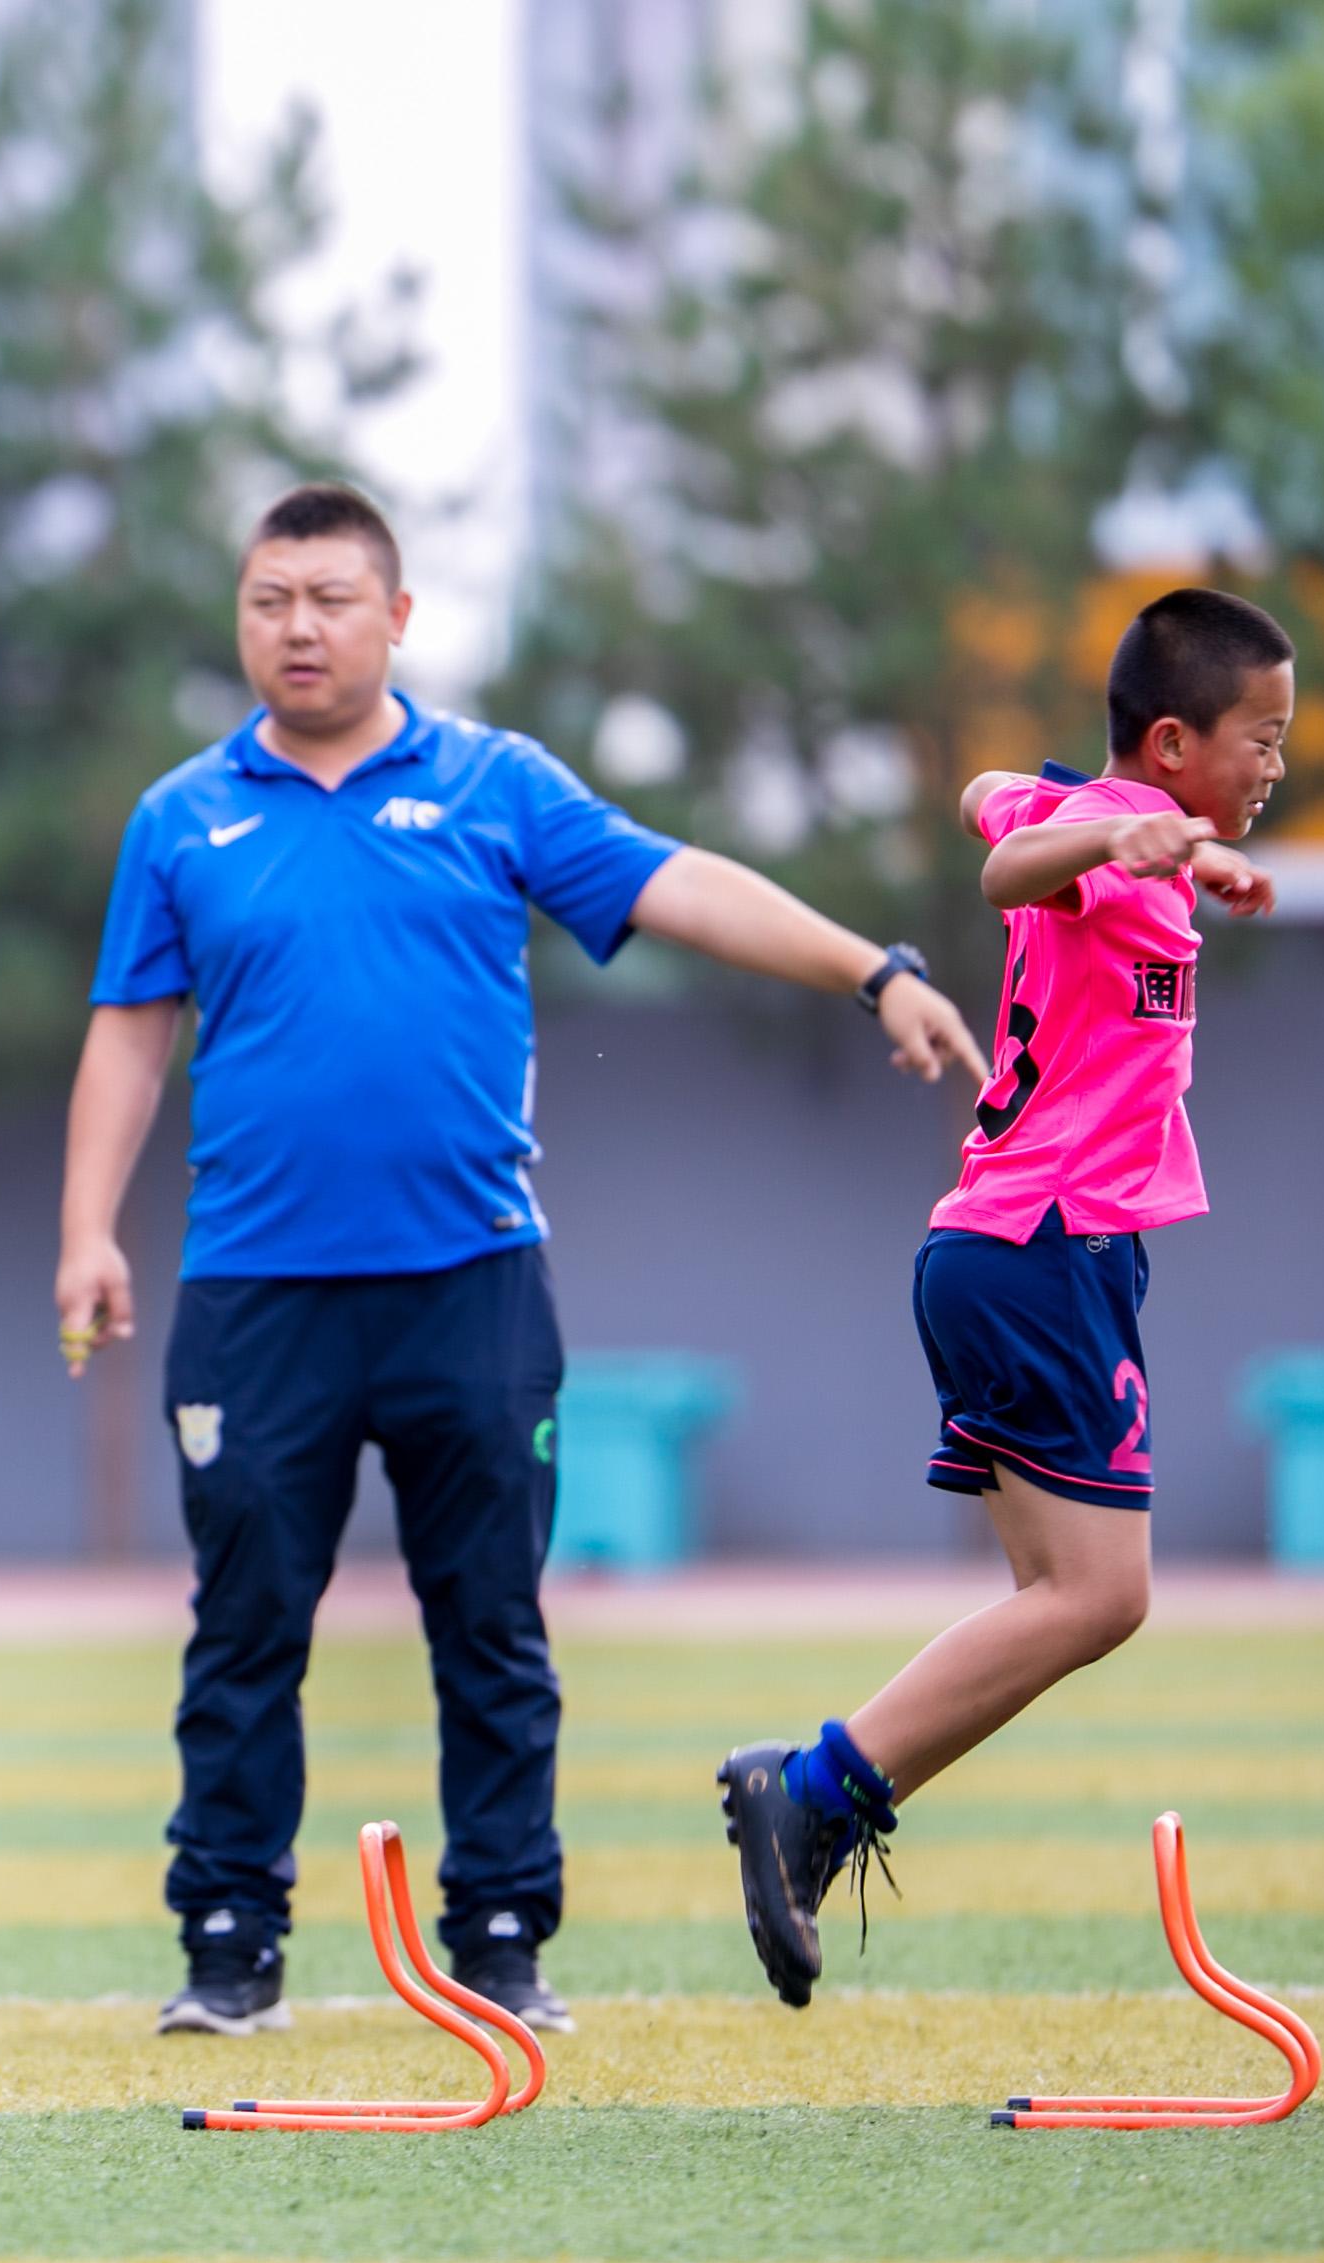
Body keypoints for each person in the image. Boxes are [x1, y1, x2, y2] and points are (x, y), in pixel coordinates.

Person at [54, 482, 986, 2036]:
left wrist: (868, 967)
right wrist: (87, 1226)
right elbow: (129, 1038)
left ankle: (501, 1937)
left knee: (491, 1623)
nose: (298, 625)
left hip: (471, 1285)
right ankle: (227, 1947)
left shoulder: (494, 785)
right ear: (243, 615)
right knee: (241, 1630)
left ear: (398, 617)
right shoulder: (182, 816)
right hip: (254, 1292)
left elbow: (679, 882)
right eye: (270, 598)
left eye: (331, 598)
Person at [722, 588, 1287, 2004]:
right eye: (1261, 739)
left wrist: (1179, 846)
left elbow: (987, 793)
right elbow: (1010, 867)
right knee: (1101, 1596)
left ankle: (814, 1807)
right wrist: (1121, 837)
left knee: (1067, 1591)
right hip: (1042, 1249)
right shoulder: (1098, 845)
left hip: (1015, 1249)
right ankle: (813, 1793)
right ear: (1172, 741)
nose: (1275, 764)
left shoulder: (1115, 818)